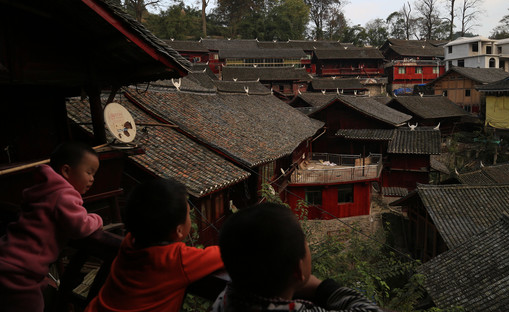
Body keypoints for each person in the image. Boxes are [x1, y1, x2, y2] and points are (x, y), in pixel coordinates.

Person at [213, 202, 383, 312]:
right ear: (298, 269)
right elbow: (370, 309)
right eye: (306, 244)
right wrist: (321, 286)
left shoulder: (225, 299)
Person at [85, 178, 224, 312]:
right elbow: (228, 253)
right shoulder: (178, 259)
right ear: (179, 230)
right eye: (188, 213)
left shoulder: (129, 241)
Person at [0, 141, 104, 312]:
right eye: (89, 172)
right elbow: (80, 226)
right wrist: (97, 219)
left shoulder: (44, 189)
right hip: (22, 270)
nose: (92, 179)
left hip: (8, 257)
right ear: (66, 171)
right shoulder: (64, 194)